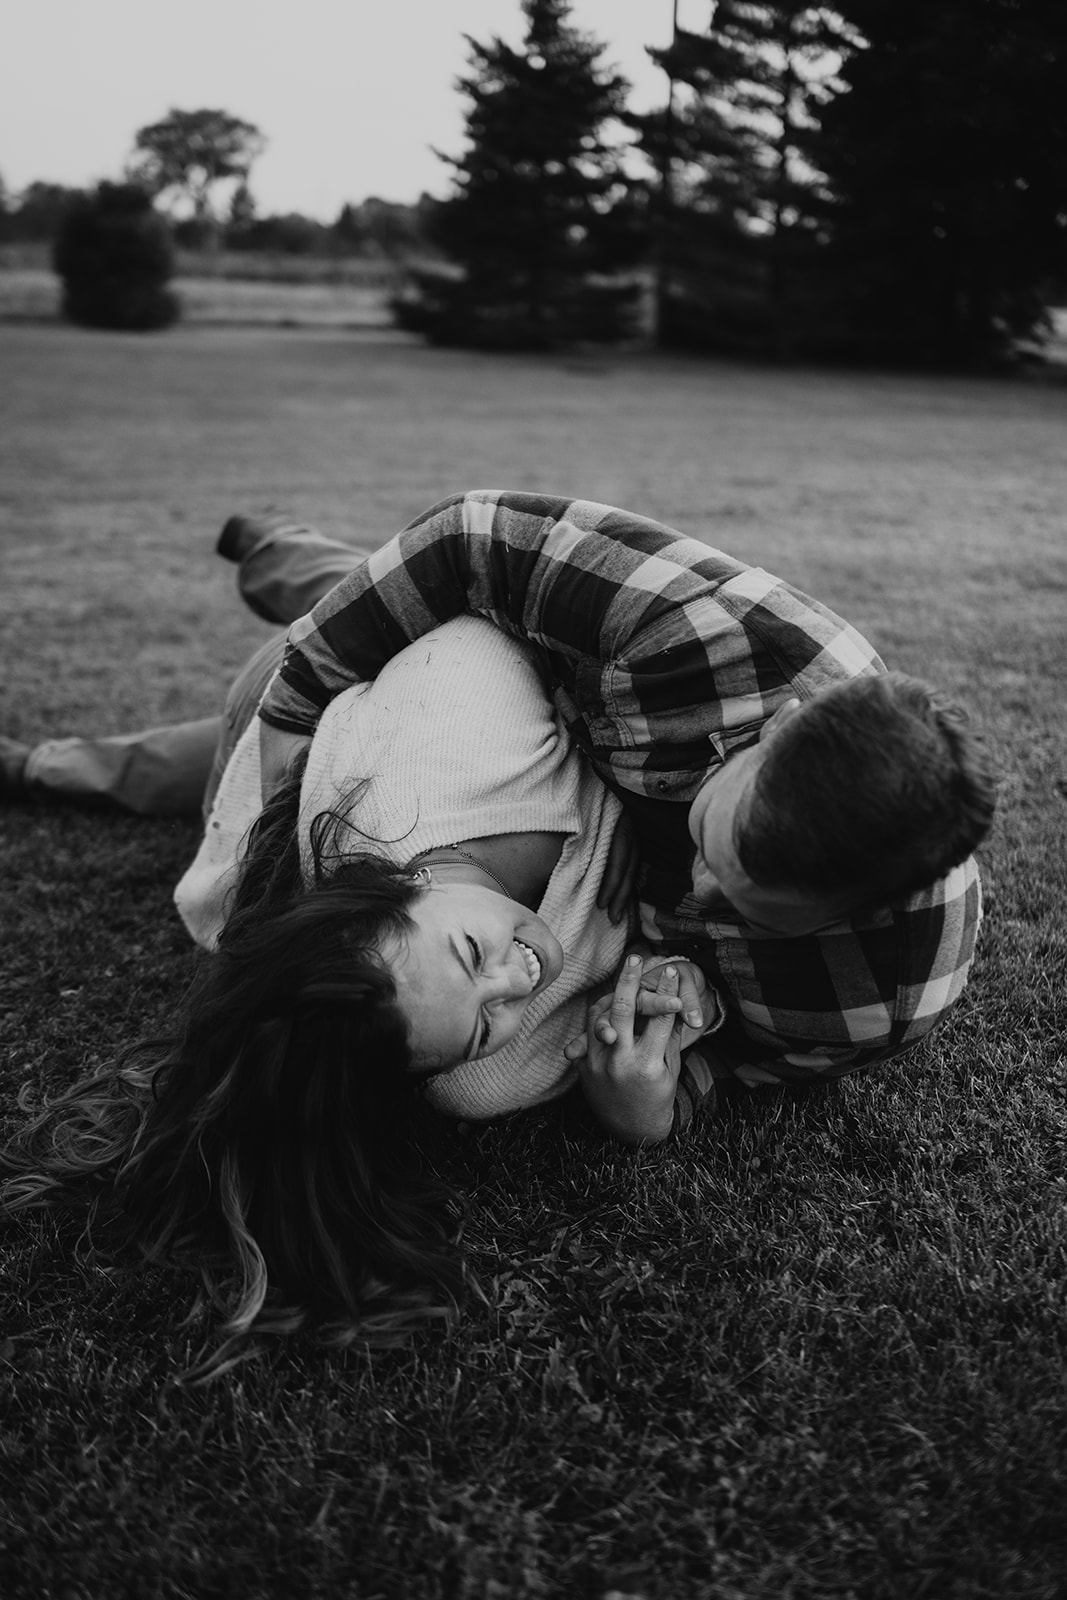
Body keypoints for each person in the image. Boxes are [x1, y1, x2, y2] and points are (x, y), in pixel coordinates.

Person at [1, 526, 719, 1375]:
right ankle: (33, 766)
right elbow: (690, 1014)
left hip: (330, 698)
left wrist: (638, 800)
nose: (515, 982)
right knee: (161, 780)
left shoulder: (447, 731)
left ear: (397, 886)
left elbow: (497, 600)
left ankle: (269, 541)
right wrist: (646, 1106)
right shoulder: (481, 1080)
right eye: (487, 1024)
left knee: (337, 584)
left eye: (466, 952)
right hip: (280, 796)